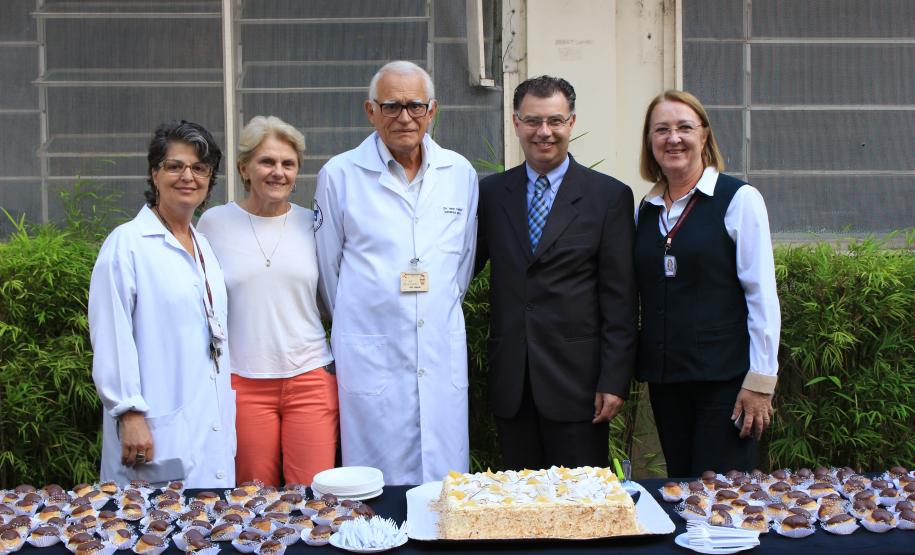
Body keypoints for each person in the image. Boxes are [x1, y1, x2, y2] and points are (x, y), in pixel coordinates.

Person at [314, 61, 478, 485]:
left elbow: (460, 267)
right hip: (373, 353)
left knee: (444, 488)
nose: (404, 117)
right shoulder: (340, 175)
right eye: (391, 106)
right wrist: (368, 314)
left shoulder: (459, 173)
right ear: (370, 111)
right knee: (377, 489)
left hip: (438, 351)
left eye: (414, 105)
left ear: (432, 110)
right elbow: (329, 273)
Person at [475, 76, 638, 470]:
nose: (543, 132)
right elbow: (460, 265)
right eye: (532, 121)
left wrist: (614, 380)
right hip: (513, 381)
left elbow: (620, 299)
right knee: (520, 504)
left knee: (579, 507)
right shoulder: (492, 193)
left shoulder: (608, 197)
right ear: (516, 123)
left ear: (572, 122)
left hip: (579, 385)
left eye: (554, 121)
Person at [635, 90, 780, 476]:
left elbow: (761, 293)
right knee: (683, 492)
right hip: (667, 383)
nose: (673, 138)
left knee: (723, 501)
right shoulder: (645, 210)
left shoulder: (739, 199)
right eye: (661, 129)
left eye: (685, 127)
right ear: (650, 142)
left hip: (726, 384)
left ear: (704, 135)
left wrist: (761, 381)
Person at [89, 121, 235, 487]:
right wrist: (130, 413)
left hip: (208, 420)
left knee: (207, 531)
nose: (188, 176)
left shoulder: (204, 248)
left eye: (200, 168)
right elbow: (111, 337)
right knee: (153, 530)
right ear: (155, 173)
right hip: (153, 427)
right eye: (175, 166)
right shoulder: (127, 244)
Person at [197, 116, 336, 486]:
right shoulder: (214, 223)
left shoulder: (315, 224)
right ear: (244, 168)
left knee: (314, 494)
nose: (278, 172)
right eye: (267, 162)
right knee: (252, 496)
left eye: (288, 164)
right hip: (243, 381)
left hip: (309, 376)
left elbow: (332, 297)